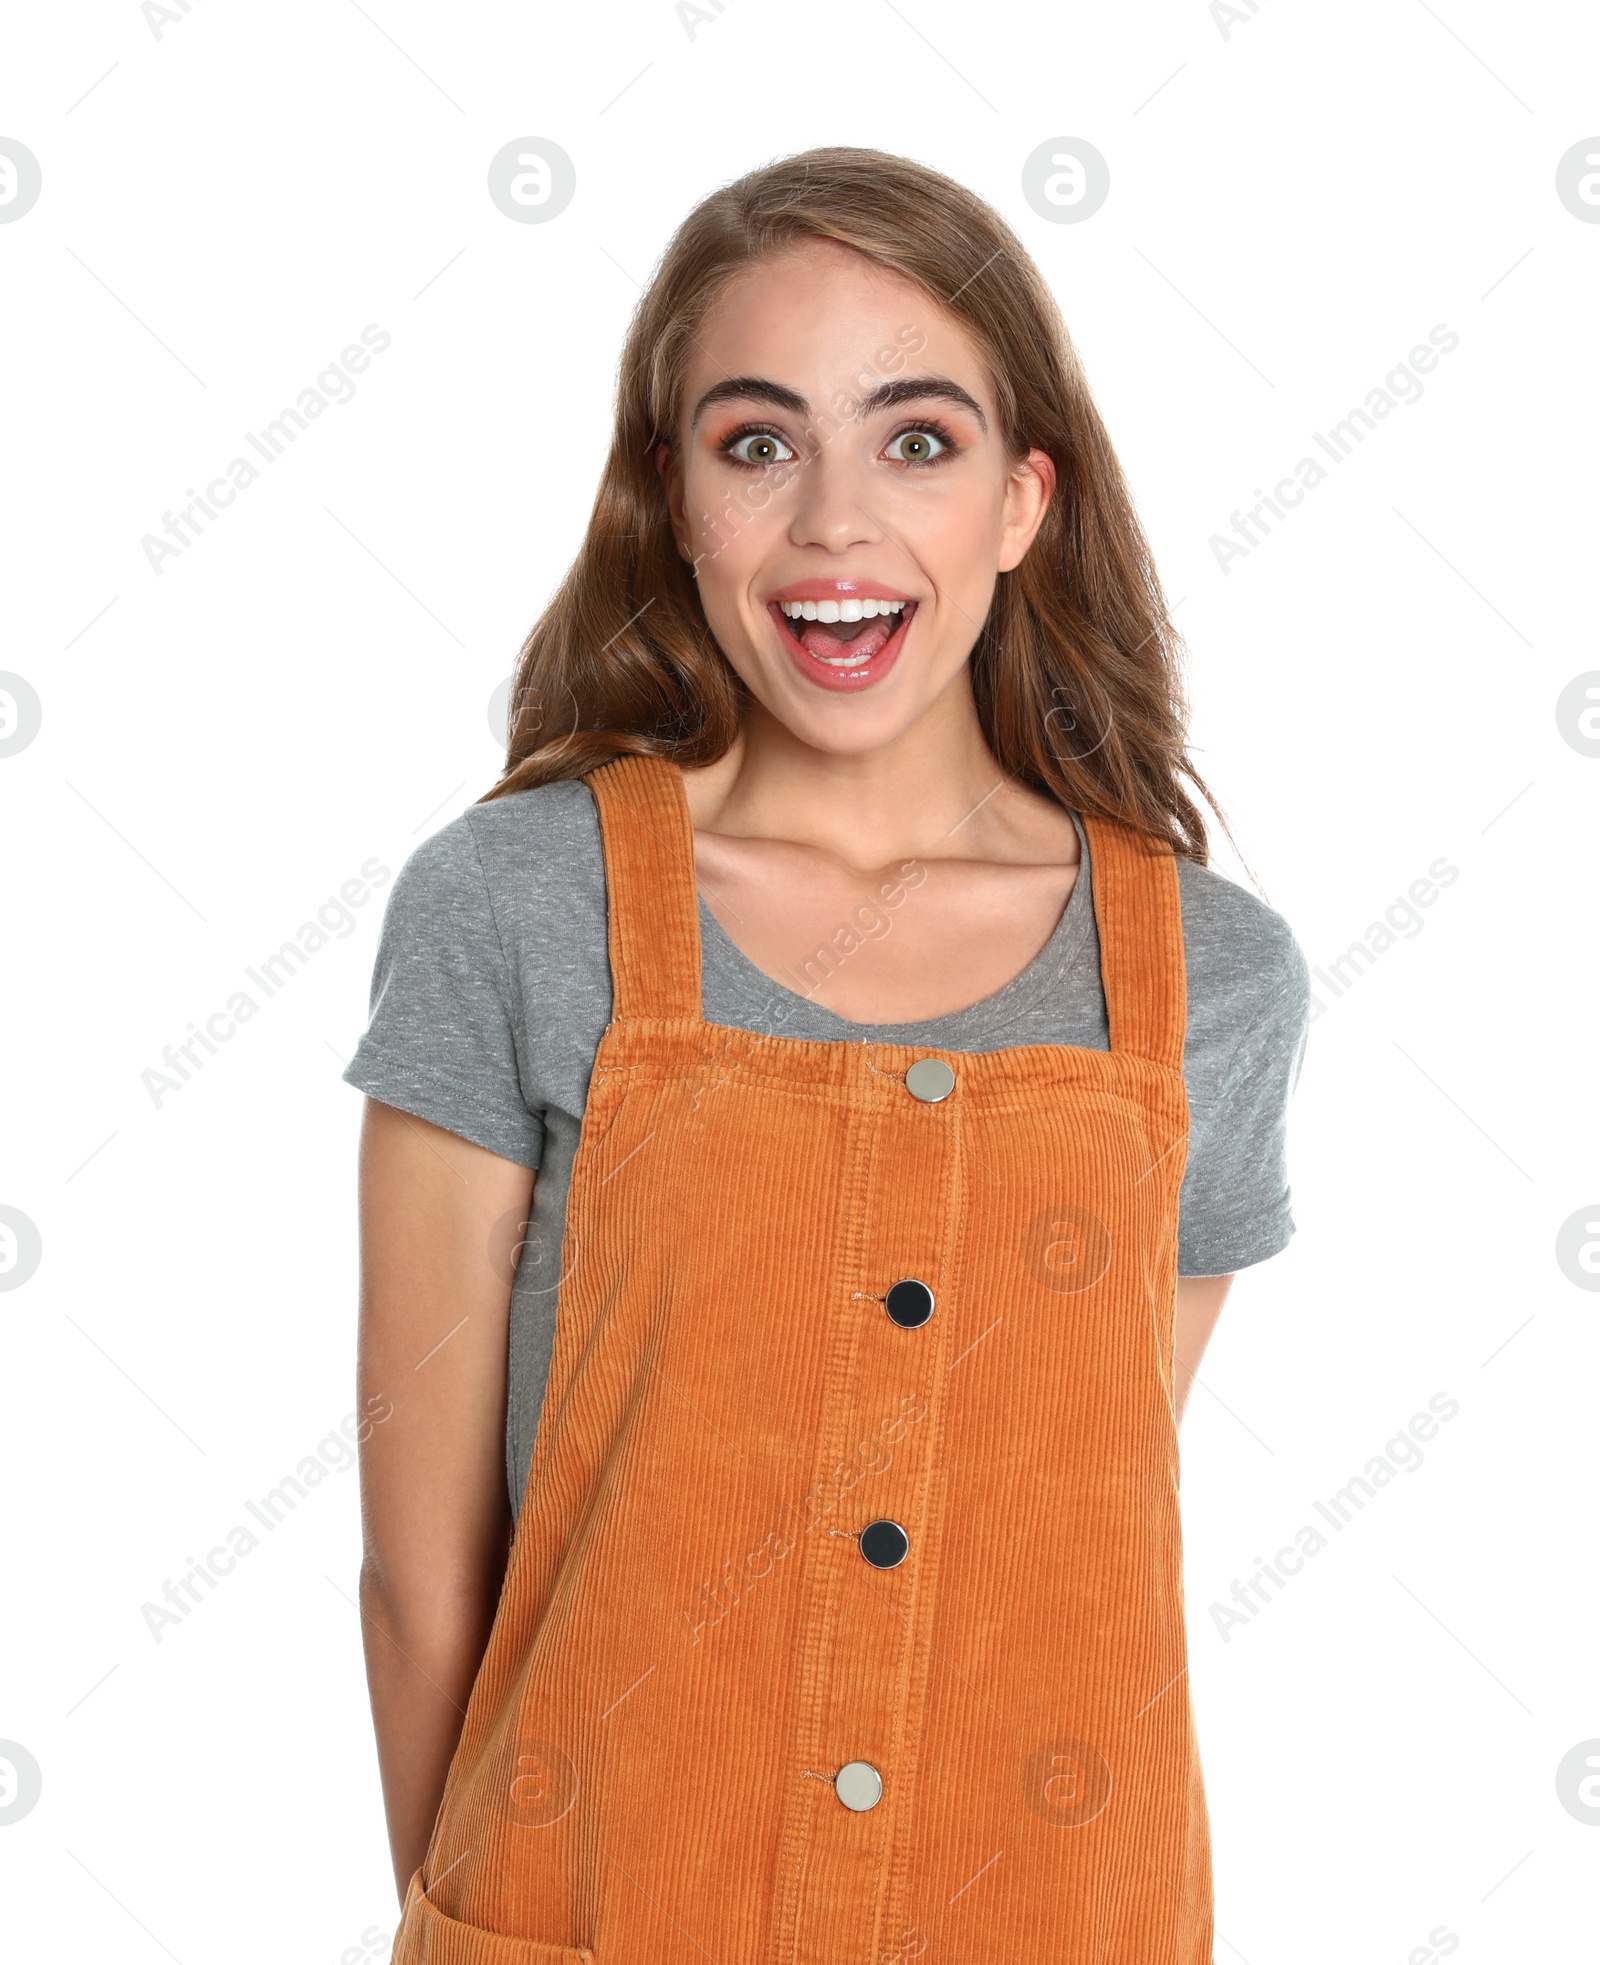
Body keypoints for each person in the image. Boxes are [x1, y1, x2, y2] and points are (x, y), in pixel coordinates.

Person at [345, 144, 1309, 1964]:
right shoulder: (517, 906)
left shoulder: (1210, 978)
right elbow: (424, 1578)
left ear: (1025, 503)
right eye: (759, 441)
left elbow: (1053, 1540)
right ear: (676, 498)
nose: (836, 526)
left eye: (918, 441)